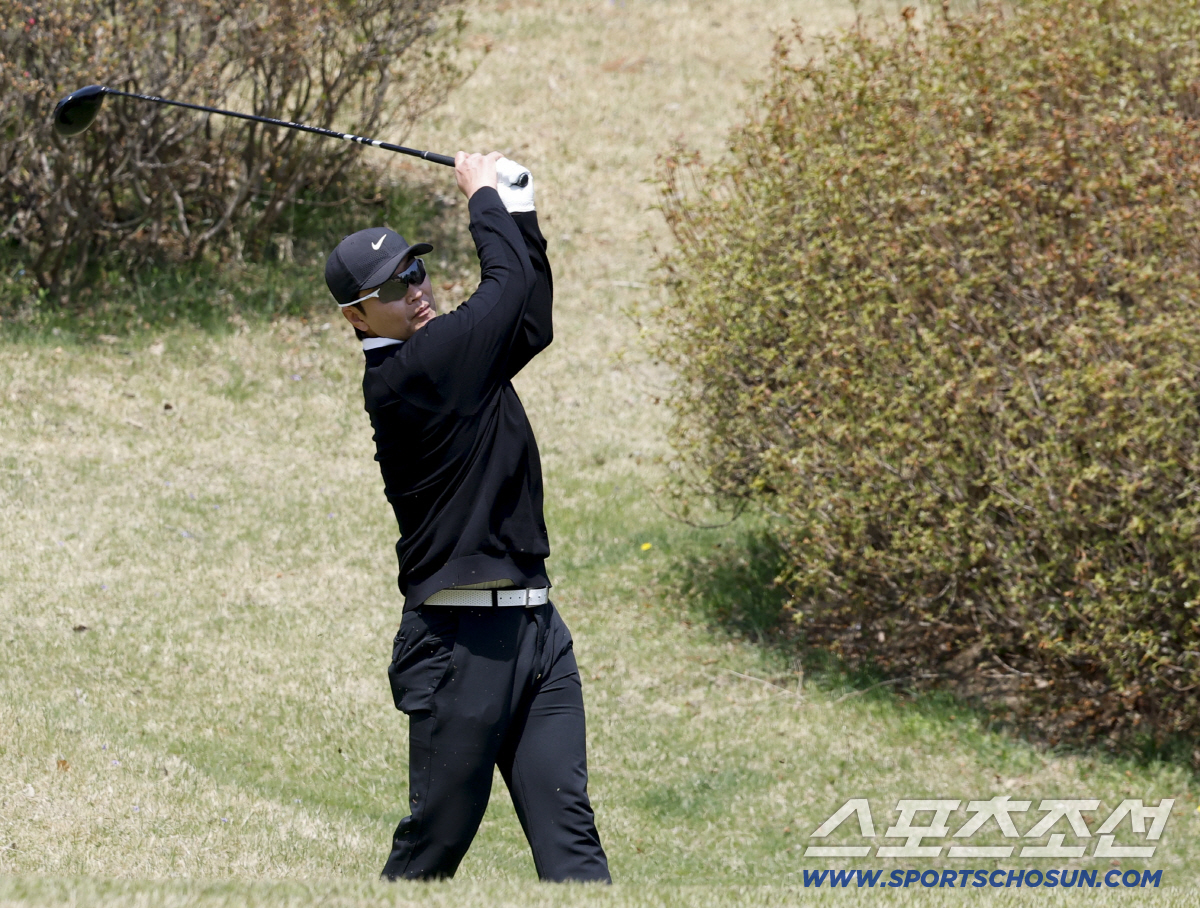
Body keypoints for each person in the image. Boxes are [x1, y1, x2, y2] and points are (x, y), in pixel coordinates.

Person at [323, 151, 610, 883]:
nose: (416, 291)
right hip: (458, 646)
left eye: (416, 271)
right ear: (357, 315)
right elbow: (505, 289)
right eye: (393, 288)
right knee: (435, 847)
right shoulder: (410, 375)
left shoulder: (457, 358)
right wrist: (485, 198)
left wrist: (523, 210)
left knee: (572, 844)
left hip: (538, 633)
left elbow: (530, 321)